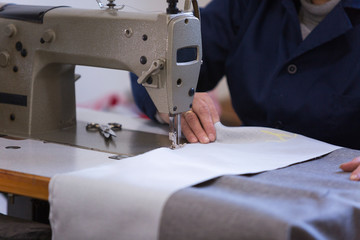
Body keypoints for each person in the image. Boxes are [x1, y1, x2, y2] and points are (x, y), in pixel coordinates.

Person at [131, 0, 360, 180]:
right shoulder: (246, 5)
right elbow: (155, 59)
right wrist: (170, 100)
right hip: (249, 173)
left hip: (341, 183)